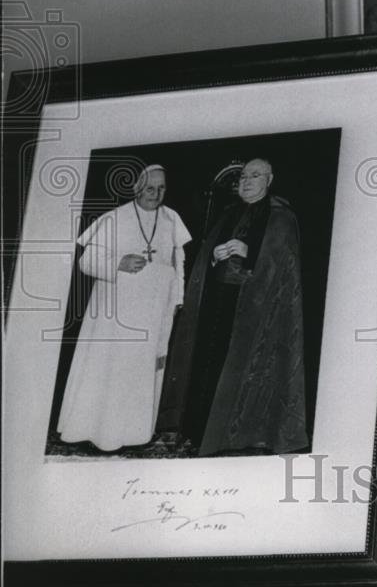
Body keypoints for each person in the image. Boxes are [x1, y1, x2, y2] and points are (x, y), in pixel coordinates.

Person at [157, 158, 308, 456]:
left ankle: (235, 437)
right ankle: (197, 431)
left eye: (255, 176)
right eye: (243, 177)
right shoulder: (228, 213)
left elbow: (282, 267)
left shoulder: (281, 217)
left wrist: (249, 253)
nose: (247, 182)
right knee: (206, 367)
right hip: (218, 305)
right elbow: (204, 263)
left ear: (269, 179)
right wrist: (213, 256)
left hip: (256, 311)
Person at [57, 164, 191, 452]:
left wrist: (178, 297)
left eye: (162, 187)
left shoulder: (171, 219)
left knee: (142, 371)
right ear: (136, 188)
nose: (156, 193)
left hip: (154, 312)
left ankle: (135, 434)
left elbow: (178, 262)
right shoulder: (115, 218)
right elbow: (85, 262)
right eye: (150, 187)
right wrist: (118, 263)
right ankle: (98, 432)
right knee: (111, 370)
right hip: (116, 315)